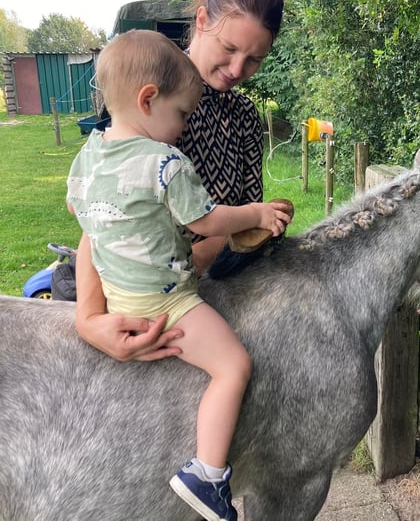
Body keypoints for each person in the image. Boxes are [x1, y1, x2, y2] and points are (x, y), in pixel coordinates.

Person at [67, 29, 290, 521]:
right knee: (234, 366)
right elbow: (206, 222)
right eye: (182, 114)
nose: (183, 126)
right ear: (148, 100)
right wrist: (254, 214)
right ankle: (208, 476)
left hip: (114, 298)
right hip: (164, 303)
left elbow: (85, 219)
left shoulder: (88, 157)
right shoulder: (165, 162)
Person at [74, 0, 286, 365]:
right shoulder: (151, 91)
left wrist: (262, 225)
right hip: (142, 295)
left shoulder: (244, 116)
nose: (238, 67)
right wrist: (89, 319)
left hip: (211, 292)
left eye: (255, 58)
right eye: (229, 47)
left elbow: (243, 218)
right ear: (203, 21)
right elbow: (100, 218)